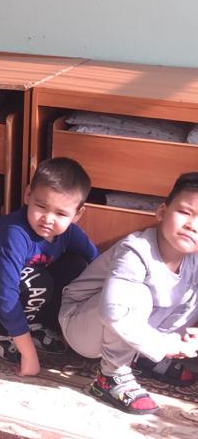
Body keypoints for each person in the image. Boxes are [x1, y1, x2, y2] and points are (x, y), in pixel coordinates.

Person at [59, 172, 198, 414]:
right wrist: (162, 345)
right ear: (162, 212)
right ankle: (110, 377)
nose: (192, 225)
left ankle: (141, 356)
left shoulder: (193, 261)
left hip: (129, 331)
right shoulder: (135, 250)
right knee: (137, 295)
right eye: (185, 212)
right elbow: (113, 312)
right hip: (82, 326)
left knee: (192, 293)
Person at [0, 157, 97, 375]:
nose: (48, 219)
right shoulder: (13, 234)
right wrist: (28, 354)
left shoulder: (70, 233)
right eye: (41, 206)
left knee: (77, 266)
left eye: (61, 213)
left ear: (77, 214)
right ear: (28, 195)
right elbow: (5, 294)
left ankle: (31, 325)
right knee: (36, 282)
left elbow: (97, 262)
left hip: (24, 284)